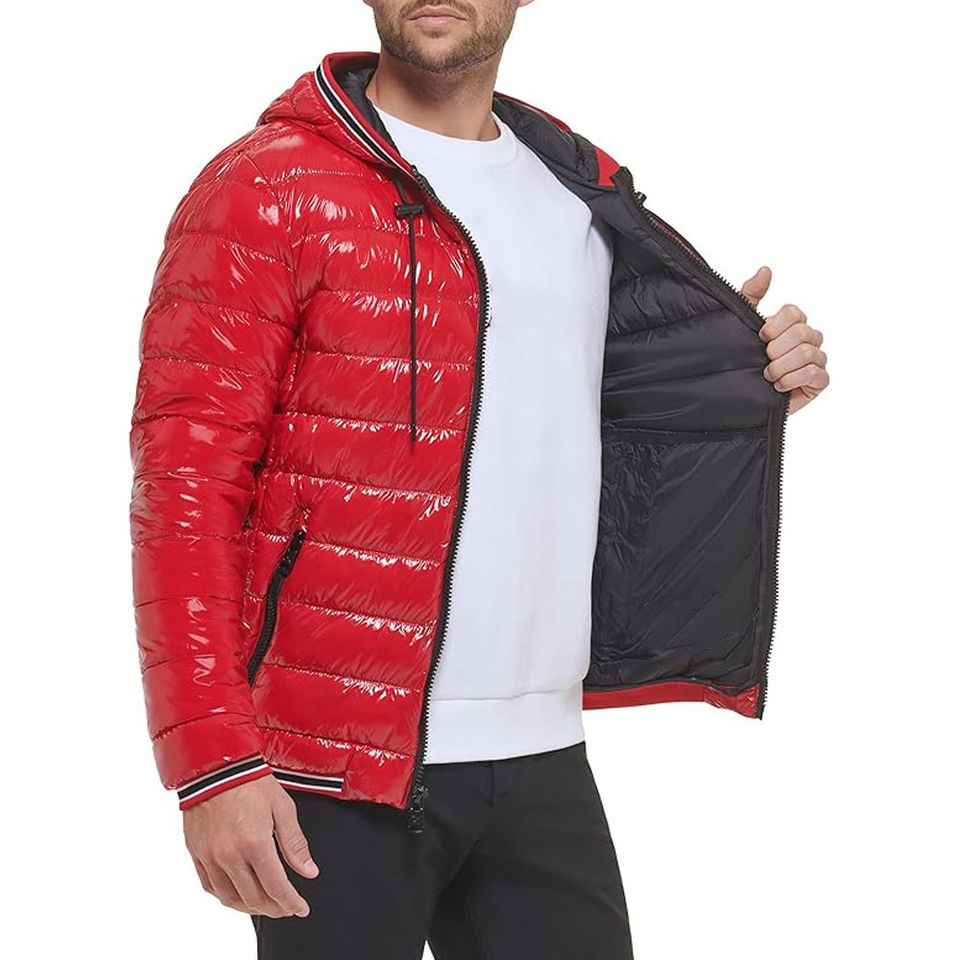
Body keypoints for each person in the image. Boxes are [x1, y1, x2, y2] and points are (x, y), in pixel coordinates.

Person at [128, 2, 829, 956]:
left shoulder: (579, 195)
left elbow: (583, 424)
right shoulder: (263, 188)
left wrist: (740, 383)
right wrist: (212, 762)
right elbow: (182, 488)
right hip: (331, 765)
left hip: (543, 754)